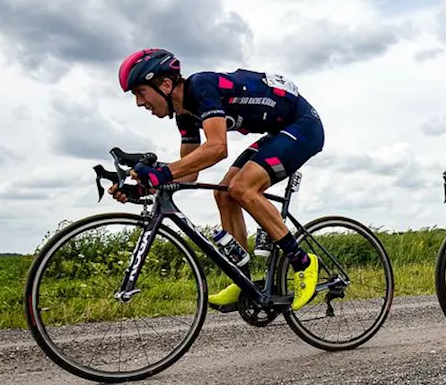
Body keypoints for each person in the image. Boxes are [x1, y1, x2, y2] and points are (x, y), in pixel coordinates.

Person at [111, 48, 324, 310]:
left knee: (243, 187)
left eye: (140, 92)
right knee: (224, 193)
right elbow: (189, 173)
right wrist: (142, 188)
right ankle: (243, 279)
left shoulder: (202, 86)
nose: (139, 103)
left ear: (165, 84)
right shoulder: (184, 115)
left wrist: (159, 174)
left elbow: (217, 148)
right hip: (279, 131)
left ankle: (302, 262)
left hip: (303, 127)